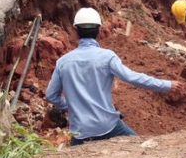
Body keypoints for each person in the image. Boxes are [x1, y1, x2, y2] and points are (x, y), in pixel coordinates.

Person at [47, 8, 178, 145]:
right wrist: (166, 85)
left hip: (81, 132)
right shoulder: (107, 57)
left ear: (75, 30)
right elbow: (133, 78)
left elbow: (51, 95)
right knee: (139, 147)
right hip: (108, 126)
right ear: (99, 30)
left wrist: (71, 106)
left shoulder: (63, 62)